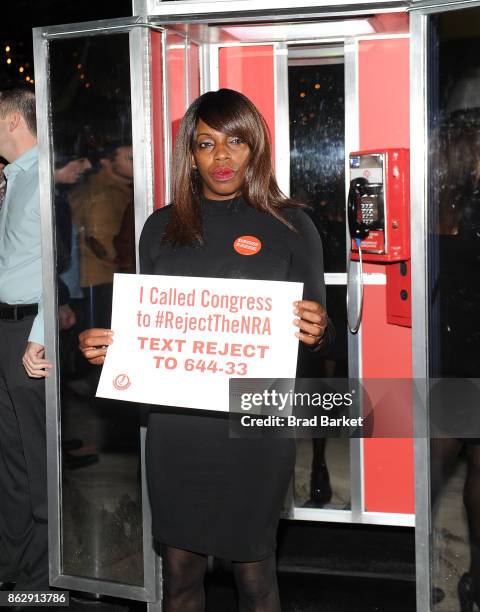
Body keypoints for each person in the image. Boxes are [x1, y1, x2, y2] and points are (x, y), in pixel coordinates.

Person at [79, 89, 333, 612]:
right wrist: (107, 345)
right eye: (206, 143)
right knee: (179, 574)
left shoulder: (293, 225)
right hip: (177, 429)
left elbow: (316, 330)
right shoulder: (160, 227)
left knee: (255, 574)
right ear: (189, 154)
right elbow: (151, 323)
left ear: (255, 147)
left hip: (254, 429)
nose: (222, 157)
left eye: (236, 141)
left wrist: (318, 329)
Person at [0, 87, 52, 591]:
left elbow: (55, 264)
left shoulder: (41, 179)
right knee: (13, 460)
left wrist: (39, 336)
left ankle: (42, 581)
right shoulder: (14, 178)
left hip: (29, 333)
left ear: (14, 120)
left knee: (36, 463)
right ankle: (14, 572)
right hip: (7, 328)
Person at [69, 142, 133, 329]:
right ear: (106, 162)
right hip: (101, 280)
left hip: (96, 279)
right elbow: (100, 239)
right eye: (129, 158)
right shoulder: (103, 194)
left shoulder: (105, 189)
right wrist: (124, 267)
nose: (136, 163)